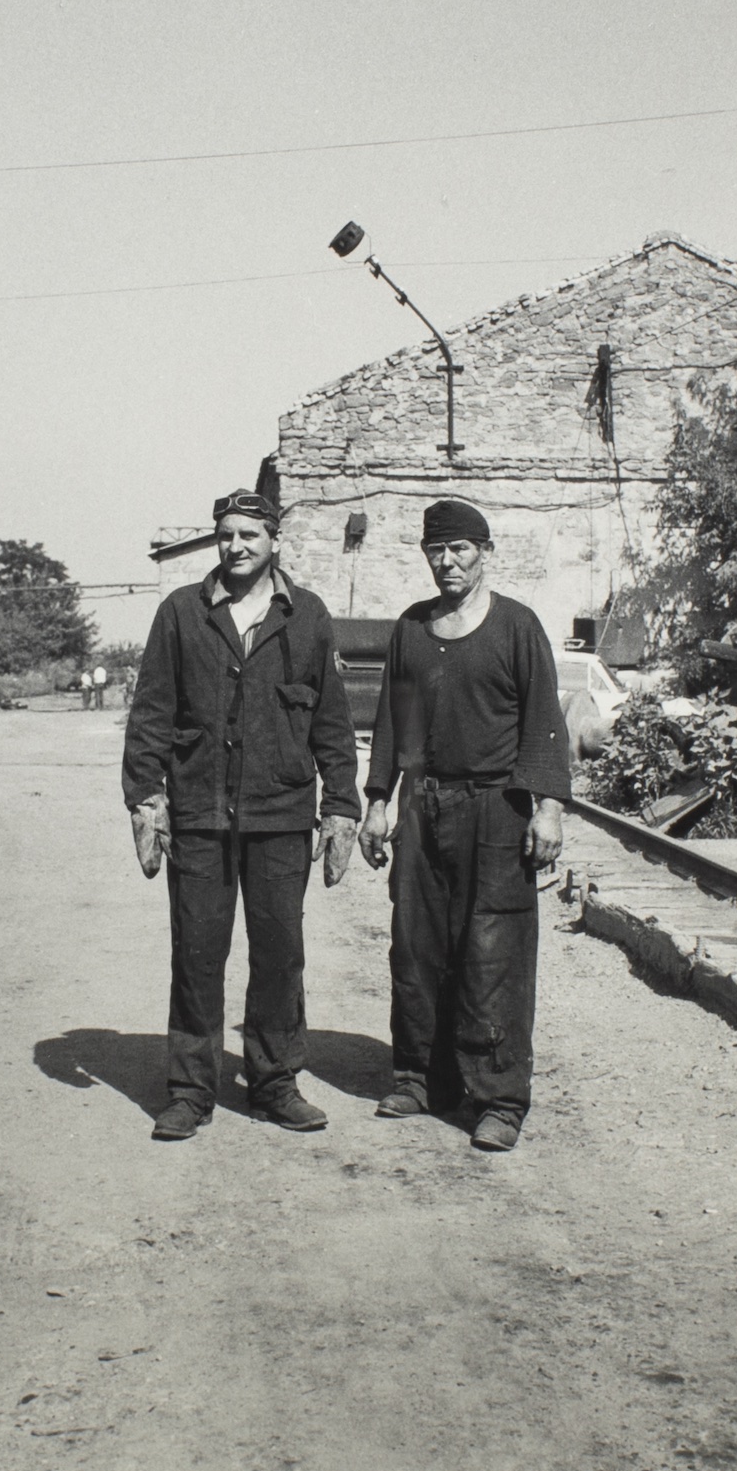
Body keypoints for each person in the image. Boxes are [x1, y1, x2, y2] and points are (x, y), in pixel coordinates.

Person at [123, 488, 362, 1141]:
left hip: (282, 814)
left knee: (280, 954)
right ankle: (190, 1091)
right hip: (201, 812)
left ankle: (275, 1082)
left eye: (249, 536)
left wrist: (341, 805)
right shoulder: (182, 613)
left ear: (273, 542)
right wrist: (146, 800)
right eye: (226, 535)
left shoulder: (306, 616)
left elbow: (332, 724)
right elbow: (150, 716)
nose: (235, 547)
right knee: (197, 954)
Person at [358, 498, 569, 1153]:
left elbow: (542, 722)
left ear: (485, 552)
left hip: (495, 809)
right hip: (424, 807)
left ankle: (500, 1097)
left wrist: (549, 807)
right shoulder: (412, 629)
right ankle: (424, 1078)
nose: (447, 562)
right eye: (436, 551)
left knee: (492, 952)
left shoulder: (517, 627)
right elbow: (392, 720)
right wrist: (377, 800)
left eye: (460, 550)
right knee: (418, 949)